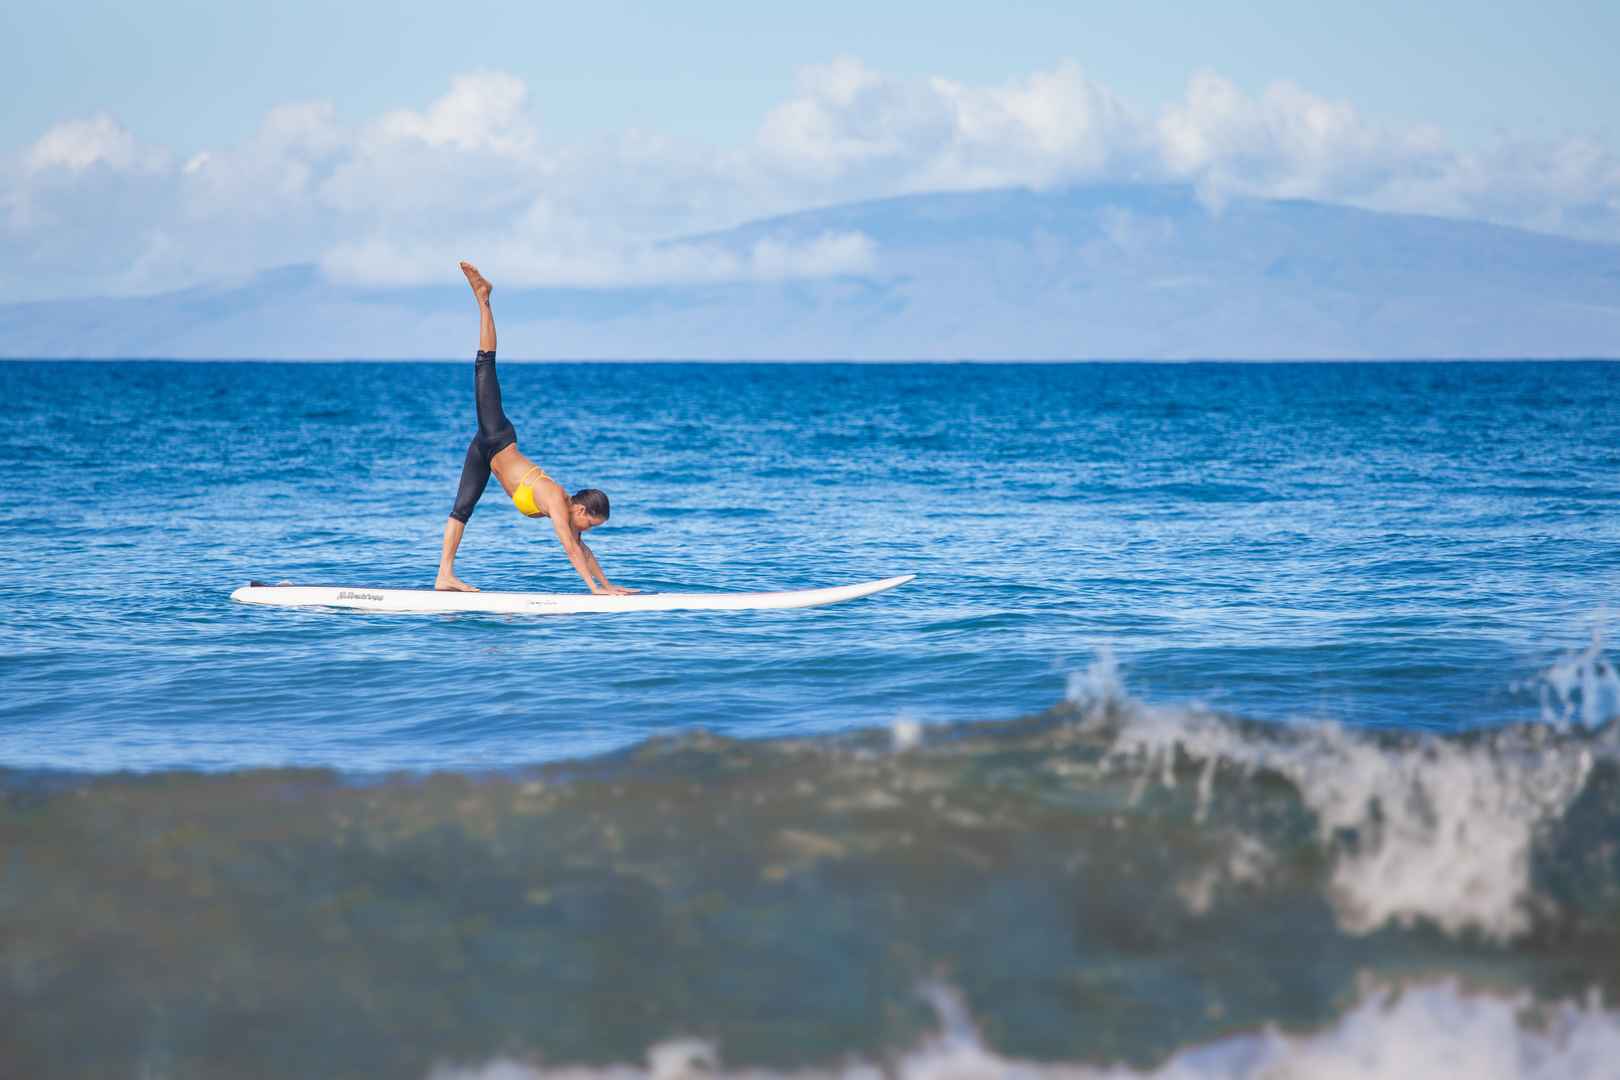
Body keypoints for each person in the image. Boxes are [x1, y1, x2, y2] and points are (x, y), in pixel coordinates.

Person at [435, 261, 635, 595]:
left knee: (461, 510)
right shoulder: (556, 500)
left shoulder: (570, 515)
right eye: (591, 524)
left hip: (483, 455)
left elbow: (582, 549)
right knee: (485, 368)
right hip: (496, 439)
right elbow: (570, 550)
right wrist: (593, 590)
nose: (588, 530)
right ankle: (484, 299)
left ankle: (444, 575)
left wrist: (609, 585)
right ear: (581, 509)